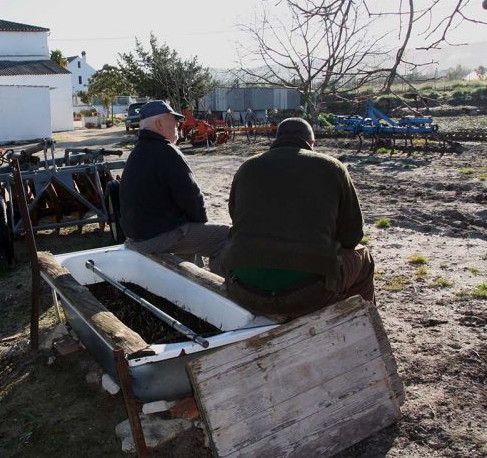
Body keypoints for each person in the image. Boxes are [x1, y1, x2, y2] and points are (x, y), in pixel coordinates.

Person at [222, 117, 374, 322]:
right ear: (312, 143)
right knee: (363, 258)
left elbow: (235, 219)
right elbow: (352, 236)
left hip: (243, 289)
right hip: (310, 292)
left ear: (275, 141)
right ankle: (363, 326)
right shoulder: (333, 168)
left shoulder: (247, 167)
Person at [119, 100, 230, 276]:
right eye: (173, 120)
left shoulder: (138, 151)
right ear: (159, 123)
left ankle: (192, 285)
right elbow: (192, 198)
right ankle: (223, 293)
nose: (178, 124)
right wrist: (201, 223)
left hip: (139, 235)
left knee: (190, 232)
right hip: (156, 238)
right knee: (226, 236)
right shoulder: (166, 151)